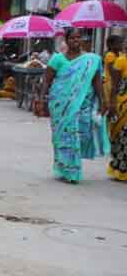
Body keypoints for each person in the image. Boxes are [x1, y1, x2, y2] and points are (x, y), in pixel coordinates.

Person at [44, 29, 109, 183]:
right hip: (60, 104)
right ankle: (67, 169)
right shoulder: (57, 59)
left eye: (78, 37)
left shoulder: (91, 60)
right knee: (63, 136)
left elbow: (97, 81)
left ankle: (69, 167)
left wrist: (103, 100)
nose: (76, 40)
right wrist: (41, 100)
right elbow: (47, 80)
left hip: (82, 105)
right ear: (66, 40)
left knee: (78, 135)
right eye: (72, 38)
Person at [105, 35, 127, 182]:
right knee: (122, 137)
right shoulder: (120, 60)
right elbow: (115, 84)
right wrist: (112, 104)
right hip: (122, 104)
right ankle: (119, 168)